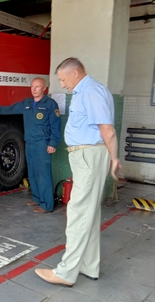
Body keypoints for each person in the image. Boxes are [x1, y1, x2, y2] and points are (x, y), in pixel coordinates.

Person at [35, 57, 122, 287]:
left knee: (78, 212)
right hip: (88, 154)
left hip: (89, 155)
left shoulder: (90, 91)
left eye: (63, 79)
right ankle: (88, 265)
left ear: (74, 73)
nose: (63, 84)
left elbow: (108, 130)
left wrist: (114, 158)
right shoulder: (92, 90)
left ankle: (66, 272)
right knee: (89, 213)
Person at [0, 77, 61, 213]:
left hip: (42, 144)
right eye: (32, 86)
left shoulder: (50, 104)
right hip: (29, 142)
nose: (34, 89)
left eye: (37, 87)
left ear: (44, 89)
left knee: (43, 174)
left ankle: (47, 205)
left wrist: (53, 143)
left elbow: (56, 125)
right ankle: (37, 198)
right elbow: (10, 109)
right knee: (33, 173)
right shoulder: (27, 103)